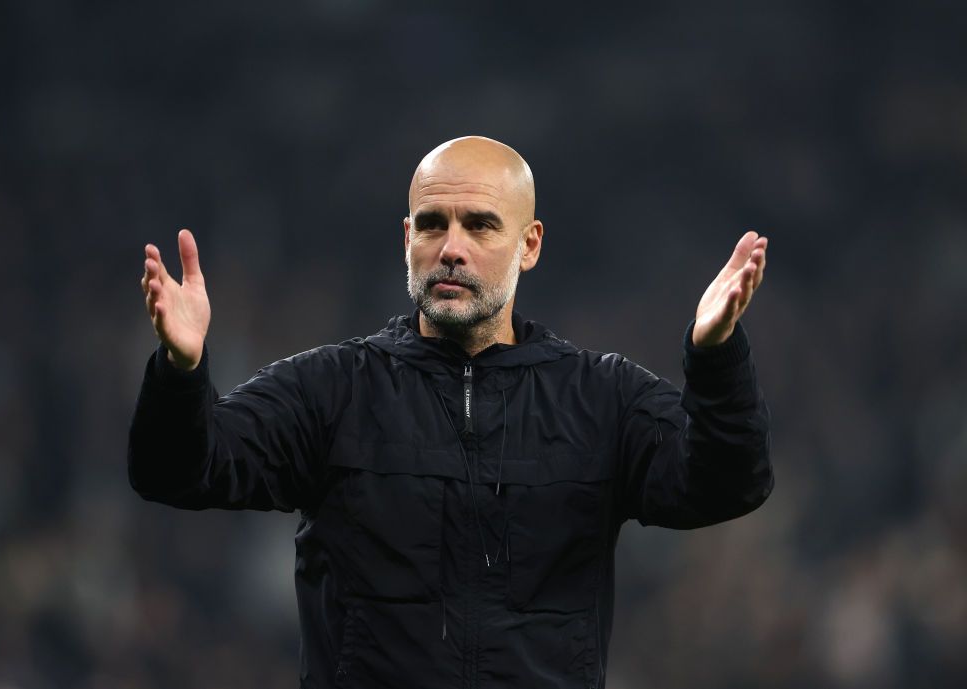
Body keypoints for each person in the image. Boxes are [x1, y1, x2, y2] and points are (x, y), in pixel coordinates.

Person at [129, 136, 772, 689]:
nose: (451, 248)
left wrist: (714, 357)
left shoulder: (600, 398)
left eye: (481, 225)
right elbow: (179, 471)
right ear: (407, 239)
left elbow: (725, 483)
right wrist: (180, 372)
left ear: (530, 245)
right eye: (433, 224)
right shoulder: (332, 389)